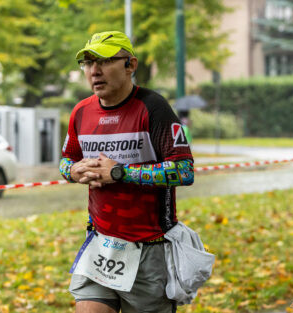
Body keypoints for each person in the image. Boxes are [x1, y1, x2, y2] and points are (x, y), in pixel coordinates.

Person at [59, 31, 195, 313]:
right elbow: (64, 161)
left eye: (105, 61)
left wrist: (121, 173)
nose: (94, 71)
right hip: (100, 243)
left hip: (149, 247)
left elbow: (184, 170)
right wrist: (73, 170)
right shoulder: (81, 113)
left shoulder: (153, 107)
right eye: (87, 62)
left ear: (130, 65)